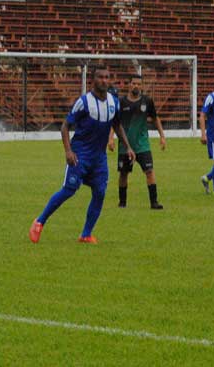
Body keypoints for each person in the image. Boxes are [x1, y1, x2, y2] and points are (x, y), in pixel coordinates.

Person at [29, 65, 135, 244]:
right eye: (100, 77)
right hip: (80, 155)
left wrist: (128, 147)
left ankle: (86, 234)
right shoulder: (84, 102)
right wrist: (68, 151)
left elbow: (117, 125)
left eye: (107, 77)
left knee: (100, 192)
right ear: (93, 80)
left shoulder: (114, 102)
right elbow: (65, 126)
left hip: (99, 158)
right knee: (69, 190)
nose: (104, 80)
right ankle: (39, 222)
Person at [108, 73, 165, 209]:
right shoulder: (121, 102)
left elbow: (155, 118)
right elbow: (115, 122)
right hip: (125, 146)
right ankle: (122, 203)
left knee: (150, 171)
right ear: (129, 84)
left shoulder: (147, 101)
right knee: (123, 173)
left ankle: (154, 202)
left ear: (142, 86)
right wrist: (111, 139)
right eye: (134, 83)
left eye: (139, 84)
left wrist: (162, 136)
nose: (136, 86)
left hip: (142, 145)